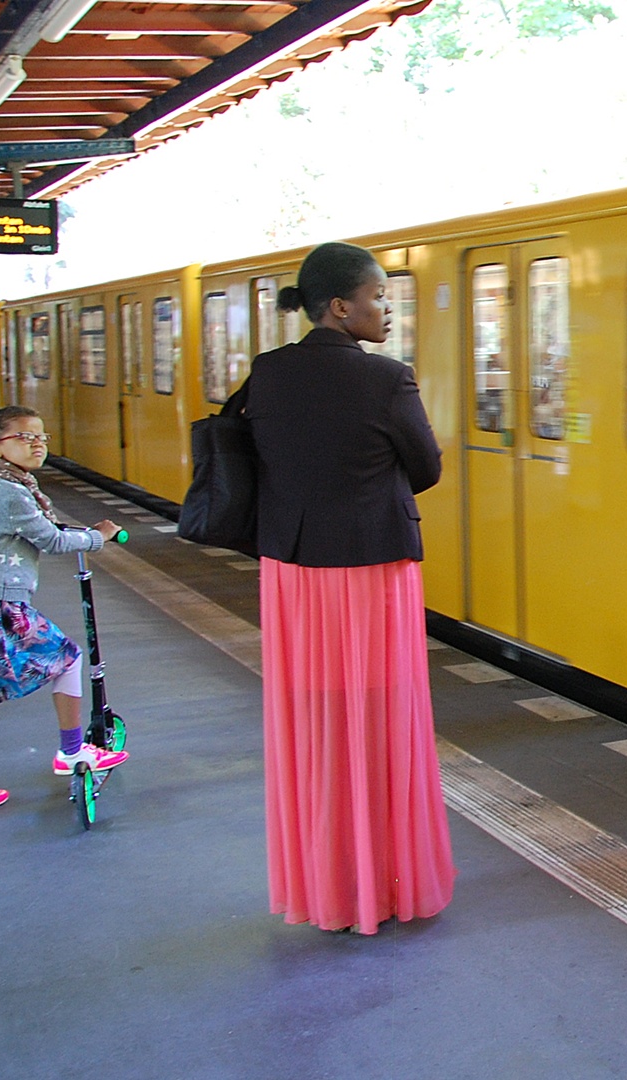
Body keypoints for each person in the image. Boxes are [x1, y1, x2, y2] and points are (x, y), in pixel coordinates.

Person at [244, 241, 456, 934]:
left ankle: (325, 886)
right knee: (382, 720)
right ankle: (388, 882)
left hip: (295, 574)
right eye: (379, 297)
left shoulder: (266, 374)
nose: (387, 310)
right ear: (341, 306)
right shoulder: (386, 379)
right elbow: (425, 467)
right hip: (371, 570)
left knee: (315, 723)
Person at [0, 406, 124, 813]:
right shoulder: (7, 491)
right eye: (24, 437)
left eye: (41, 437)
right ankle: (73, 752)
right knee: (67, 658)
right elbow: (51, 541)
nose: (37, 443)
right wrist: (97, 538)